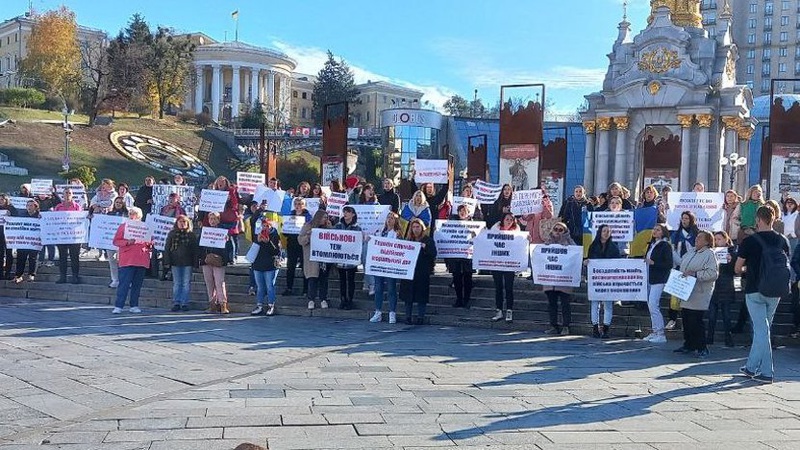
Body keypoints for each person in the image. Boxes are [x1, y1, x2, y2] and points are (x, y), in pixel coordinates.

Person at [735, 206, 790, 383]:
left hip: (754, 289)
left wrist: (747, 269)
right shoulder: (782, 240)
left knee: (760, 330)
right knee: (764, 330)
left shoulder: (750, 241)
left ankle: (764, 371)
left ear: (758, 220)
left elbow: (737, 268)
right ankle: (753, 368)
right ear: (773, 219)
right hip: (775, 289)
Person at [673, 230, 718, 358]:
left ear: (707, 241)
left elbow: (713, 273)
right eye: (697, 237)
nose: (696, 239)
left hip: (699, 292)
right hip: (686, 291)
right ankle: (689, 344)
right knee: (686, 319)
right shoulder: (691, 251)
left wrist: (696, 274)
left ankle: (702, 347)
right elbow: (682, 263)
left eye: (699, 238)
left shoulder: (709, 254)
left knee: (696, 321)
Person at [111, 207, 152, 314]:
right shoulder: (123, 227)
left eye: (134, 214)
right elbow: (116, 241)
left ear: (139, 216)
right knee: (124, 284)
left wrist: (150, 243)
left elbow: (151, 241)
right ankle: (119, 305)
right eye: (130, 213)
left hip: (141, 258)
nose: (132, 215)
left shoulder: (146, 227)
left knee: (137, 285)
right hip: (127, 259)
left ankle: (134, 305)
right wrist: (127, 242)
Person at [400, 218, 437, 325]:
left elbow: (433, 253)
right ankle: (408, 316)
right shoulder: (408, 240)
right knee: (408, 296)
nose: (415, 229)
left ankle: (421, 317)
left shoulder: (428, 240)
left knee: (421, 295)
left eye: (418, 227)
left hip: (422, 272)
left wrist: (425, 247)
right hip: (409, 271)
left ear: (422, 228)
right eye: (414, 227)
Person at [587, 224, 621, 338]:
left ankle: (606, 329)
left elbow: (618, 263)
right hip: (596, 279)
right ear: (600, 232)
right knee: (595, 303)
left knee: (608, 305)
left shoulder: (614, 246)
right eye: (604, 231)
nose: (606, 233)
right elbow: (589, 259)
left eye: (608, 231)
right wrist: (587, 262)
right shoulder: (593, 246)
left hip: (609, 280)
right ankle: (595, 328)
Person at [667, 210, 699, 331]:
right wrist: (679, 262)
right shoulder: (676, 235)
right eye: (683, 218)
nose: (684, 220)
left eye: (687, 218)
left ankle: (687, 321)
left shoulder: (696, 234)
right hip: (678, 267)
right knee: (675, 295)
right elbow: (673, 250)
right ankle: (672, 319)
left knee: (689, 297)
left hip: (691, 268)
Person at [542, 222, 576, 335]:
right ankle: (553, 325)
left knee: (565, 303)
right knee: (551, 304)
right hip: (550, 280)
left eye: (560, 230)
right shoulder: (547, 242)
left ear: (565, 231)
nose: (557, 231)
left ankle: (566, 326)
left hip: (564, 279)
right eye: (555, 229)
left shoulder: (570, 242)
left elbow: (576, 255)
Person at [369, 212, 403, 323]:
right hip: (379, 264)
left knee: (391, 289)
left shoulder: (397, 233)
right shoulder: (380, 232)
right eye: (388, 218)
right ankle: (378, 311)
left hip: (390, 265)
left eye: (392, 218)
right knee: (378, 288)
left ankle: (392, 312)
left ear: (396, 221)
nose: (389, 220)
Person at [642, 224, 673, 343]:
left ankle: (660, 333)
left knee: (653, 304)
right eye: (654, 229)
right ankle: (655, 331)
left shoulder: (665, 245)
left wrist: (654, 263)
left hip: (659, 279)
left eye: (658, 230)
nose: (654, 231)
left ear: (663, 232)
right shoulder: (651, 244)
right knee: (651, 305)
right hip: (650, 278)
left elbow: (668, 264)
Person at [198, 212, 232, 314]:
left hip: (219, 260)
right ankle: (212, 305)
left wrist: (227, 241)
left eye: (214, 219)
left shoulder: (224, 232)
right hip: (206, 260)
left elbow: (229, 248)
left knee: (219, 282)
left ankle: (223, 305)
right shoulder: (204, 231)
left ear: (218, 220)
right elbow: (199, 246)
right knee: (209, 283)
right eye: (211, 219)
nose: (212, 221)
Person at [298, 210, 333, 311]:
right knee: (312, 279)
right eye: (323, 217)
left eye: (327, 217)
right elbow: (300, 240)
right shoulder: (308, 226)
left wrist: (330, 228)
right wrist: (308, 236)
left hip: (324, 258)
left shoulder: (328, 227)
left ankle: (323, 299)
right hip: (312, 259)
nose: (325, 219)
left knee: (323, 279)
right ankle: (311, 300)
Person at [708, 231, 737, 347]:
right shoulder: (711, 252)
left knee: (727, 315)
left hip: (726, 285)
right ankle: (709, 337)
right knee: (712, 315)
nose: (717, 241)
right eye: (715, 239)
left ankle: (728, 338)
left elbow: (734, 271)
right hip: (714, 285)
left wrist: (731, 261)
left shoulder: (732, 252)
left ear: (726, 239)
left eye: (719, 239)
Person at [163, 215, 198, 311]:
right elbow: (167, 248)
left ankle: (185, 302)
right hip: (175, 261)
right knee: (177, 283)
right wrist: (167, 261)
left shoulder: (191, 235)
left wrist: (195, 263)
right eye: (180, 222)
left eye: (184, 222)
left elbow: (195, 250)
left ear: (187, 224)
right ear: (177, 223)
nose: (182, 224)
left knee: (186, 283)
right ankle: (176, 302)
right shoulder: (172, 234)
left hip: (188, 262)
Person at [490, 212, 520, 322]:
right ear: (503, 220)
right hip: (497, 264)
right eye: (507, 219)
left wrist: (527, 239)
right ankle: (498, 311)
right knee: (498, 288)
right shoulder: (495, 230)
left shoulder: (517, 233)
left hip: (509, 265)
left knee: (509, 288)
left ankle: (509, 311)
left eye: (511, 220)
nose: (508, 221)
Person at [445, 205, 476, 309]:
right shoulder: (452, 224)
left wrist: (475, 234)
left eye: (465, 211)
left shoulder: (474, 224)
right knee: (456, 277)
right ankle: (459, 299)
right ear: (457, 213)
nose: (463, 212)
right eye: (461, 211)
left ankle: (466, 300)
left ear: (468, 213)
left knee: (467, 278)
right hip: (455, 255)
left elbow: (479, 238)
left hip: (468, 255)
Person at [252, 218, 281, 316]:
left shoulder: (275, 236)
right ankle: (259, 305)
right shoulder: (257, 235)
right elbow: (253, 250)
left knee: (270, 286)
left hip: (270, 265)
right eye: (264, 226)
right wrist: (258, 241)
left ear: (271, 227)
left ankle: (271, 305)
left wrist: (268, 242)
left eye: (267, 226)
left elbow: (276, 251)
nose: (265, 228)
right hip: (258, 264)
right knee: (260, 287)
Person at [334, 206, 362, 310]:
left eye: (348, 212)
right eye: (344, 212)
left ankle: (350, 300)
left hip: (351, 258)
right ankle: (343, 299)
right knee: (342, 280)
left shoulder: (357, 227)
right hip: (340, 258)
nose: (345, 214)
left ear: (353, 214)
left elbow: (358, 243)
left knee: (351, 280)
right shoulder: (338, 226)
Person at [284, 197, 311, 299]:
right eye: (296, 204)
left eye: (300, 204)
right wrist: (285, 227)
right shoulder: (290, 215)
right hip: (292, 243)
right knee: (290, 267)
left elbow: (310, 229)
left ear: (304, 205)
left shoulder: (308, 217)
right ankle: (289, 288)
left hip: (303, 245)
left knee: (305, 267)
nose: (298, 206)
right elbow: (285, 232)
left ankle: (306, 289)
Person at [54, 187, 82, 284]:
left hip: (74, 236)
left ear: (72, 195)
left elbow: (81, 220)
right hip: (61, 236)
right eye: (66, 193)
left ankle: (75, 276)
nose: (67, 195)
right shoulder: (58, 207)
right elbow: (53, 220)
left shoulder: (77, 207)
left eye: (69, 193)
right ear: (63, 195)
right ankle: (63, 276)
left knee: (75, 257)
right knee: (62, 257)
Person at [11, 199, 40, 284]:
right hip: (23, 241)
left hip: (34, 241)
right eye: (28, 205)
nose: (29, 207)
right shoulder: (22, 215)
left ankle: (31, 274)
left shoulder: (40, 216)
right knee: (20, 258)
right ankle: (18, 276)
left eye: (31, 205)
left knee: (33, 258)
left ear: (35, 207)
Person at [106, 197, 128, 288]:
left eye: (120, 202)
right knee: (112, 261)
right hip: (110, 241)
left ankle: (125, 280)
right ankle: (115, 279)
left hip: (123, 242)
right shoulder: (109, 214)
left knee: (124, 262)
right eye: (116, 202)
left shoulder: (127, 215)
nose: (118, 204)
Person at [0, 194, 18, 280]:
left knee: (9, 254)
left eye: (2, 199)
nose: (0, 201)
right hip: (0, 234)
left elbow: (17, 219)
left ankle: (7, 272)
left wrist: (10, 215)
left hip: (9, 234)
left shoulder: (11, 208)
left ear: (6, 200)